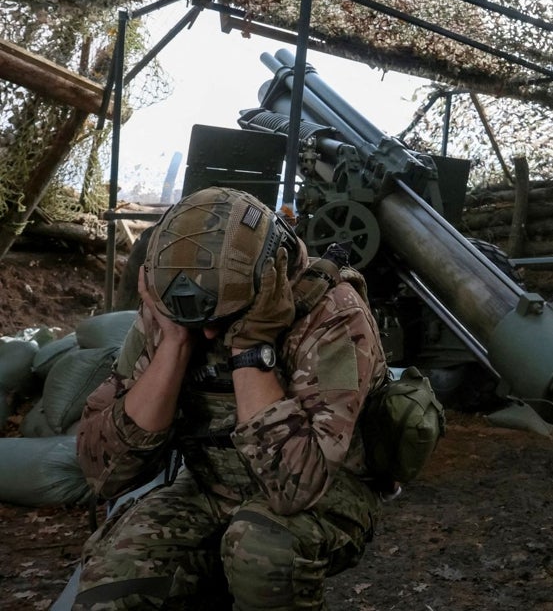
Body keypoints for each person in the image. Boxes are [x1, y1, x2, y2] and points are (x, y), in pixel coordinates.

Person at [73, 185, 389, 609]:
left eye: (220, 321)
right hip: (209, 486)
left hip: (327, 495)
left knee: (262, 550)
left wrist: (251, 348)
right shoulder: (175, 309)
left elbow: (295, 489)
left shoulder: (332, 311)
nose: (208, 334)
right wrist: (175, 343)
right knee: (114, 578)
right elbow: (103, 472)